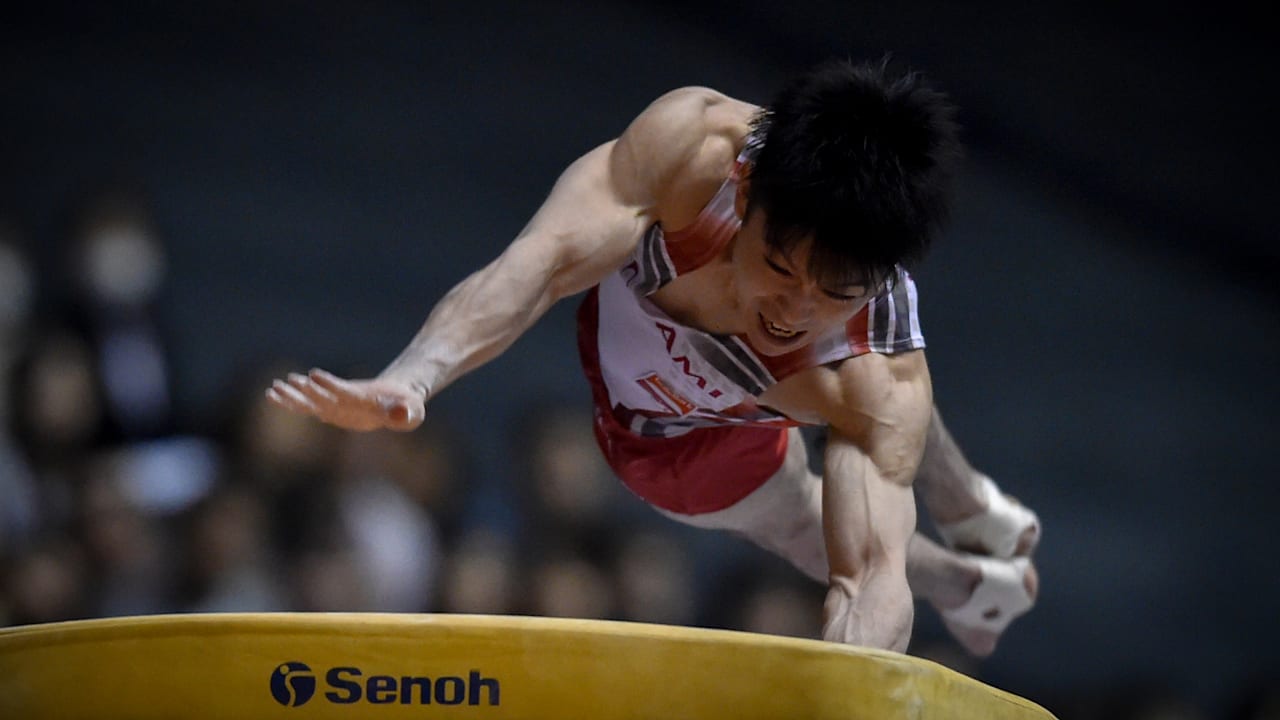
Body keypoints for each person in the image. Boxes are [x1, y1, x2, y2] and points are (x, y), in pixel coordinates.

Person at [267, 57, 1040, 655]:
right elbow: (533, 268)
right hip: (654, 419)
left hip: (750, 418)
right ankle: (975, 566)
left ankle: (966, 518)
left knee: (857, 466)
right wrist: (415, 373)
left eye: (833, 293)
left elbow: (867, 581)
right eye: (778, 266)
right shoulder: (693, 156)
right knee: (840, 452)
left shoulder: (869, 363)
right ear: (746, 199)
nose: (793, 308)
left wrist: (854, 685)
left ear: (876, 280)